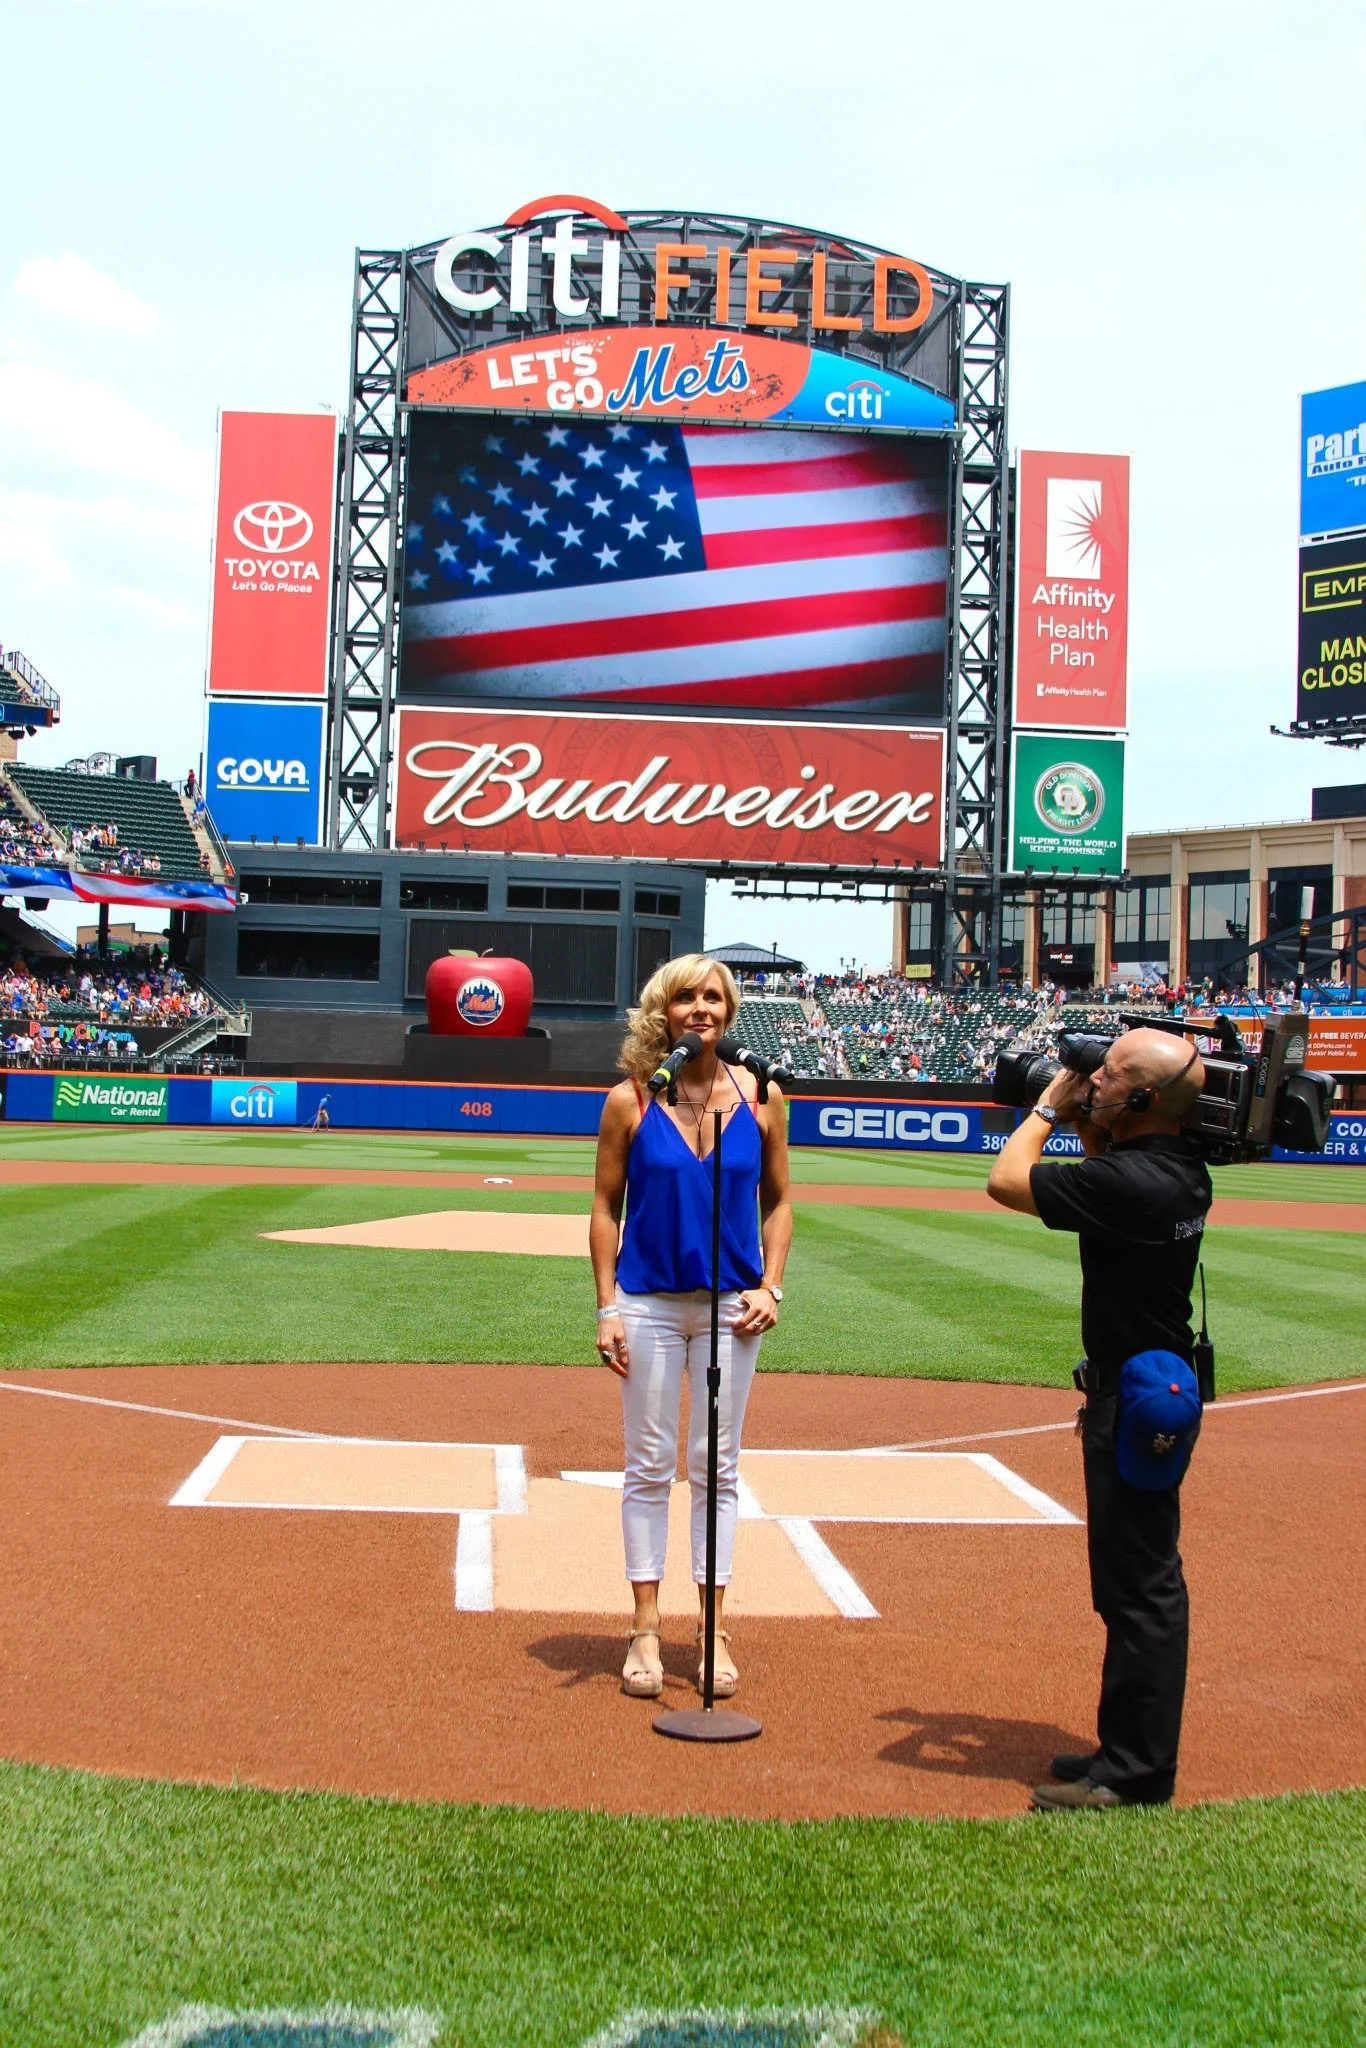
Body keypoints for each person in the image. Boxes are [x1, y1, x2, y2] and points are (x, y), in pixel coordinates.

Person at [986, 1026, 1211, 1812]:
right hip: (1153, 1385)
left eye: (1109, 1074)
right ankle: (1122, 1750)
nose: (1095, 1080)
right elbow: (1107, 1166)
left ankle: (1139, 1773)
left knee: (1142, 1588)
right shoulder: (1177, 1169)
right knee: (1128, 1583)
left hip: (1133, 1398)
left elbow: (1007, 1181)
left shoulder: (1136, 1185)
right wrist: (1094, 1116)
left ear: (1143, 1098)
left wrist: (1050, 1105)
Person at [590, 954, 792, 1702]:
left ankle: (712, 1629)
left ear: (729, 1011)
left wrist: (773, 1284)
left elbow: (779, 1201)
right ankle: (645, 1626)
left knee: (718, 1467)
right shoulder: (630, 1101)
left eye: (713, 997)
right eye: (685, 998)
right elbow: (605, 1207)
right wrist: (606, 1305)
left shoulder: (765, 1096)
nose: (700, 1009)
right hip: (646, 1302)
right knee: (647, 1463)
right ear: (662, 1012)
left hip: (733, 1306)